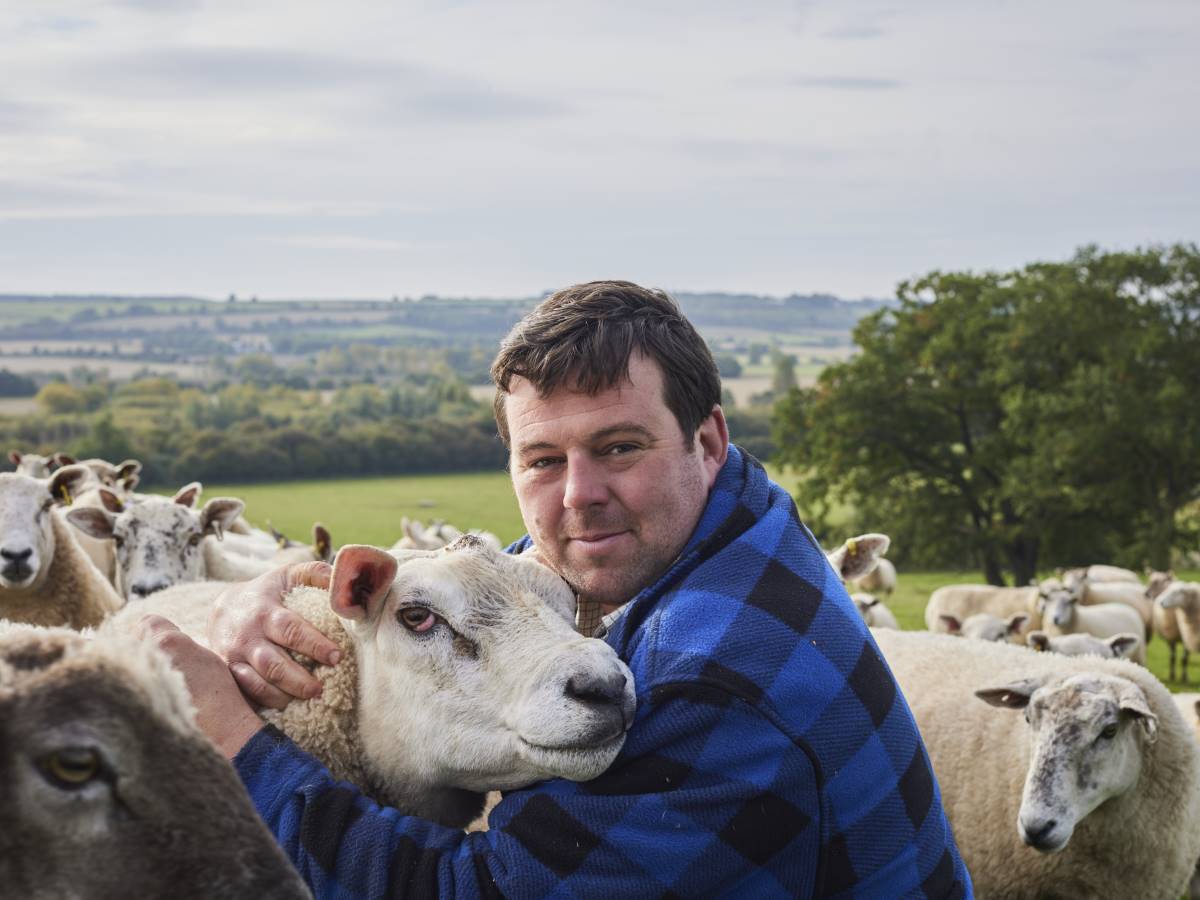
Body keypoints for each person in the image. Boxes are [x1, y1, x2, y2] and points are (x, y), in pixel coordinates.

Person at [143, 281, 971, 898]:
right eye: (543, 460)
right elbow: (485, 589)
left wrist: (232, 744)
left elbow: (476, 891)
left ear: (707, 438)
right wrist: (276, 588)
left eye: (618, 448)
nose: (577, 496)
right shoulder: (724, 531)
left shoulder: (716, 683)